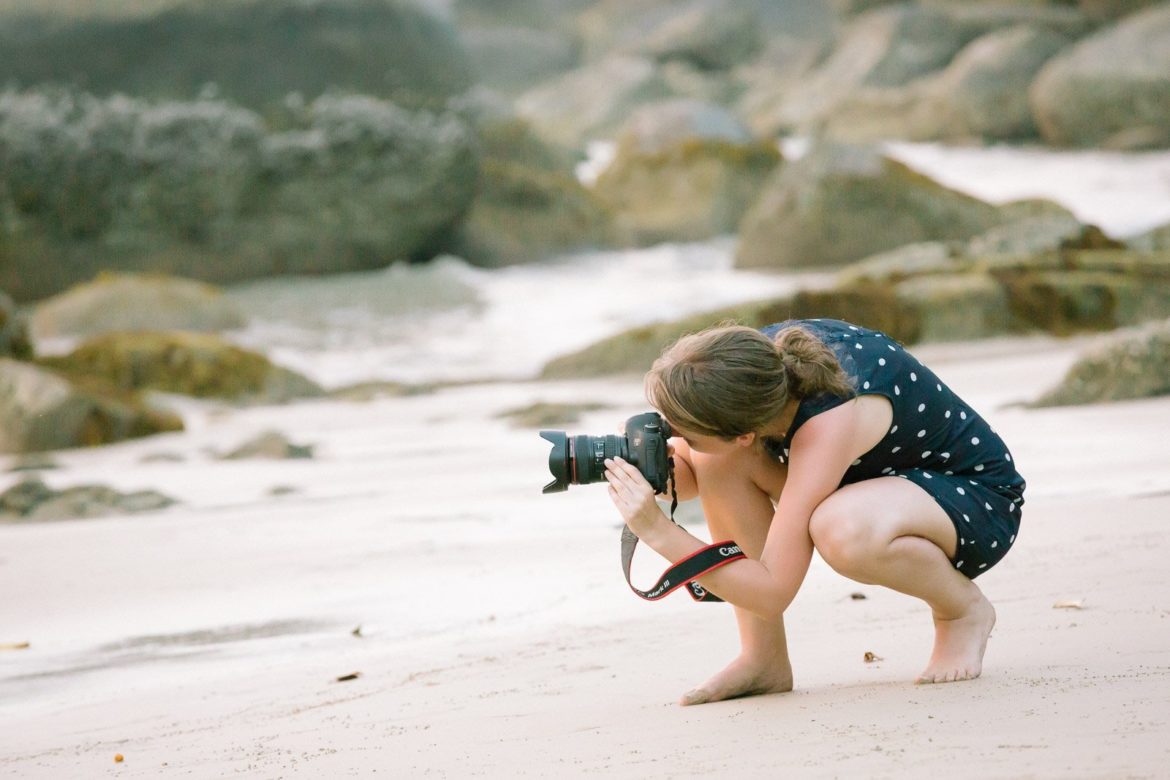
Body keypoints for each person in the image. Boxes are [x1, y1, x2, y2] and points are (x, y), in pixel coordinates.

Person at [603, 318, 1025, 706]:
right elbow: (701, 477)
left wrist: (656, 531)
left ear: (746, 434)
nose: (673, 436)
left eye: (682, 434)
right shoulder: (751, 370)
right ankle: (762, 658)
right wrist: (653, 465)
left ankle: (960, 610)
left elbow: (772, 592)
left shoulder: (828, 417)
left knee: (841, 530)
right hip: (875, 490)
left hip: (973, 502)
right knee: (719, 463)